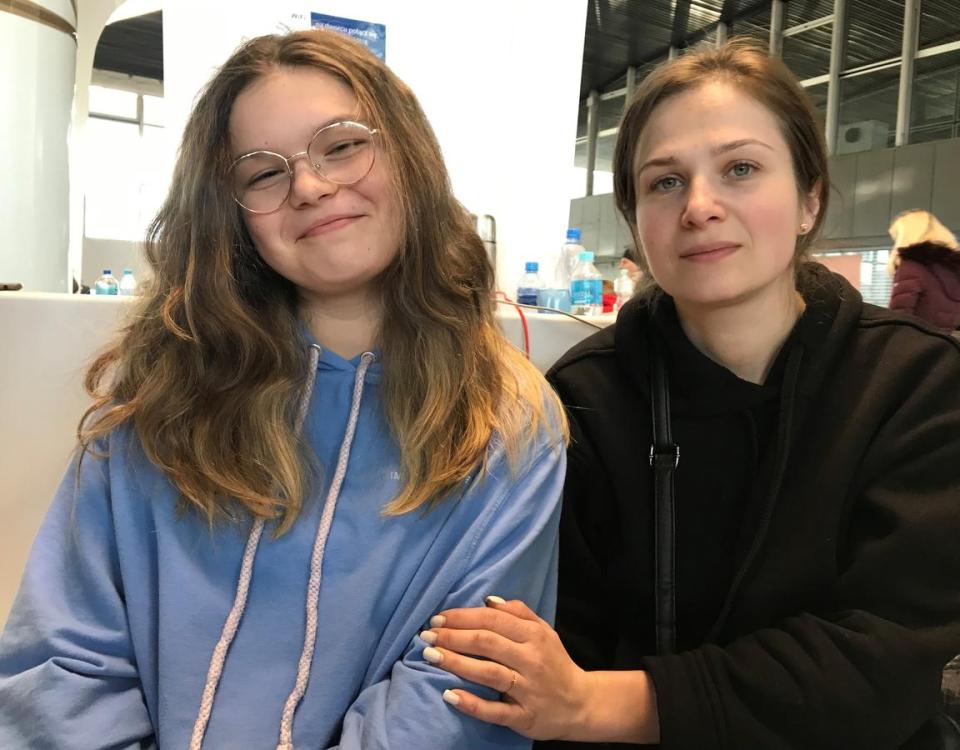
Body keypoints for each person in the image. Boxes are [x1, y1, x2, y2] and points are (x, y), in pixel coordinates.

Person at [411, 39, 960, 749]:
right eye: (664, 182)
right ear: (636, 221)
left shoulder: (912, 382)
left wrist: (600, 703)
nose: (699, 206)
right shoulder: (589, 398)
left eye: (741, 168)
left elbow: (888, 658)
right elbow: (560, 639)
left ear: (810, 197)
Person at [0, 29, 566, 750]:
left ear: (407, 155)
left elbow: (456, 691)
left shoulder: (505, 423)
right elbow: (63, 658)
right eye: (263, 173)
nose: (308, 185)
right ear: (232, 214)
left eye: (341, 144)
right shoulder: (166, 396)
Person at [887, 208, 960, 329]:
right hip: (943, 341)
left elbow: (899, 316)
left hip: (913, 341)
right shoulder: (959, 272)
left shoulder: (913, 265)